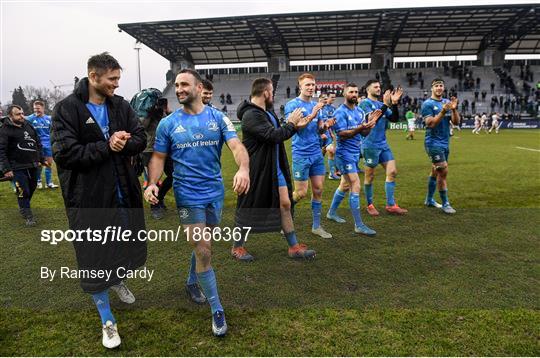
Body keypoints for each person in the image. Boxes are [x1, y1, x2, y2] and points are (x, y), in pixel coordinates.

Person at [51, 52, 147, 349]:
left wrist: (124, 142)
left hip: (123, 194)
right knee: (94, 258)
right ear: (93, 77)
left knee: (123, 247)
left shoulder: (121, 105)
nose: (116, 85)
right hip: (89, 199)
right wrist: (107, 146)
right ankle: (107, 320)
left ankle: (117, 279)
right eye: (112, 79)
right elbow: (65, 154)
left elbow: (140, 137)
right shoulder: (67, 108)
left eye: (118, 79)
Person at [144, 69, 250, 337]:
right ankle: (217, 308)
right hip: (187, 193)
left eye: (183, 84)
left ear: (199, 87)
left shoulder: (218, 118)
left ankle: (192, 281)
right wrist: (153, 182)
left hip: (214, 191)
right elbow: (157, 157)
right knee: (203, 249)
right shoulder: (168, 124)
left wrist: (244, 169)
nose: (178, 89)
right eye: (176, 85)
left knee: (206, 244)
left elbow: (237, 147)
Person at [232, 78, 316, 261]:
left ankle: (294, 247)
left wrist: (295, 127)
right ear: (266, 93)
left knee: (285, 204)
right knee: (248, 208)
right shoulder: (250, 115)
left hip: (273, 166)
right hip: (257, 169)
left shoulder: (266, 111)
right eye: (272, 92)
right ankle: (237, 247)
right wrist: (291, 123)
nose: (273, 96)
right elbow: (272, 136)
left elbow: (280, 135)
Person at [284, 73, 335, 239]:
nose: (311, 87)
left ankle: (316, 226)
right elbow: (296, 127)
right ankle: (284, 217)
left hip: (316, 153)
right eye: (307, 85)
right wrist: (313, 114)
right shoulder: (293, 105)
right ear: (300, 86)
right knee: (300, 193)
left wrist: (325, 127)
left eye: (313, 84)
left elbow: (319, 129)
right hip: (301, 154)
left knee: (318, 190)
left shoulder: (316, 105)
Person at [326, 83, 380, 235]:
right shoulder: (339, 112)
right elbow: (343, 134)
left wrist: (370, 125)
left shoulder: (359, 111)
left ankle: (331, 213)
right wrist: (362, 127)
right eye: (351, 92)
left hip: (355, 153)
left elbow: (363, 134)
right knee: (355, 184)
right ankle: (359, 225)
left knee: (344, 185)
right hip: (344, 154)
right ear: (345, 94)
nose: (354, 94)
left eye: (356, 91)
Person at [358, 80, 407, 216]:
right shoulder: (365, 104)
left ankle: (391, 205)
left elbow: (395, 119)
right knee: (370, 176)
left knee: (392, 172)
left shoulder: (381, 104)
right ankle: (369, 204)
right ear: (368, 90)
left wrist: (395, 104)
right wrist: (386, 104)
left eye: (379, 86)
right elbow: (372, 120)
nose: (379, 88)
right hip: (369, 145)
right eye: (375, 87)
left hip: (383, 144)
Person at [0, 105, 47, 226]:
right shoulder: (4, 130)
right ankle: (28, 216)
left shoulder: (28, 125)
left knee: (32, 187)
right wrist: (6, 169)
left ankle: (23, 205)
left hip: (33, 164)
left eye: (22, 113)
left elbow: (38, 143)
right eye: (18, 114)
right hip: (16, 167)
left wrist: (41, 158)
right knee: (23, 190)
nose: (22, 116)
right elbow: (1, 151)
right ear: (10, 116)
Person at [421, 78, 460, 214]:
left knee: (435, 170)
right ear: (432, 88)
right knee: (443, 170)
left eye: (441, 86)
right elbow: (430, 123)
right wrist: (443, 112)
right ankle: (445, 203)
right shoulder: (427, 104)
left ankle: (429, 200)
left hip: (445, 142)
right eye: (436, 86)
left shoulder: (446, 103)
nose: (439, 88)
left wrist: (454, 110)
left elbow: (455, 123)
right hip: (433, 143)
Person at [140, 95, 173, 219]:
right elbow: (142, 127)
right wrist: (150, 114)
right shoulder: (146, 114)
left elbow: (171, 124)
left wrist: (166, 110)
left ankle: (160, 197)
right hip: (150, 149)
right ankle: (155, 207)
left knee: (174, 175)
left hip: (166, 149)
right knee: (151, 181)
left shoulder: (164, 113)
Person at [27, 100, 58, 188]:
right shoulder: (31, 118)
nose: (36, 110)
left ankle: (49, 183)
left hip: (48, 145)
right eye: (34, 109)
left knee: (48, 164)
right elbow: (22, 121)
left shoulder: (49, 119)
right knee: (38, 164)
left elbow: (53, 131)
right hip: (36, 145)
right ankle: (38, 181)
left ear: (43, 108)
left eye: (38, 108)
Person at [319, 92, 340, 180]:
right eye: (323, 98)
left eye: (325, 98)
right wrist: (321, 133)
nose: (324, 100)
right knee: (321, 152)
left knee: (331, 150)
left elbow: (330, 122)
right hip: (319, 134)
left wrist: (331, 132)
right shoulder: (316, 109)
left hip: (327, 133)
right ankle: (318, 169)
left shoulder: (331, 108)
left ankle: (332, 173)